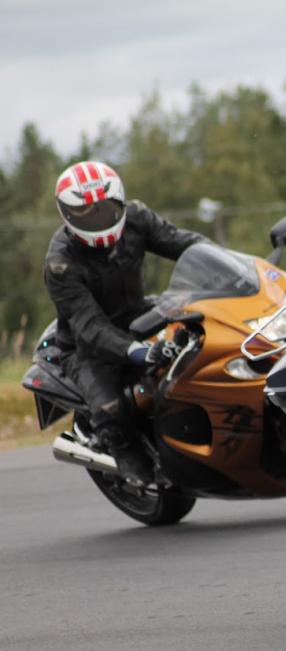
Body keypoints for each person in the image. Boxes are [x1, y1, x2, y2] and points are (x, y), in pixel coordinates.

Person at [43, 160, 206, 486]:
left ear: (119, 201)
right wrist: (137, 351)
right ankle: (123, 451)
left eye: (104, 208)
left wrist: (234, 265)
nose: (97, 218)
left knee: (204, 341)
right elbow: (89, 326)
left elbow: (187, 244)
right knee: (111, 408)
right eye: (85, 213)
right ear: (67, 215)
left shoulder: (137, 218)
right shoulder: (60, 263)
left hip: (141, 315)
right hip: (86, 345)